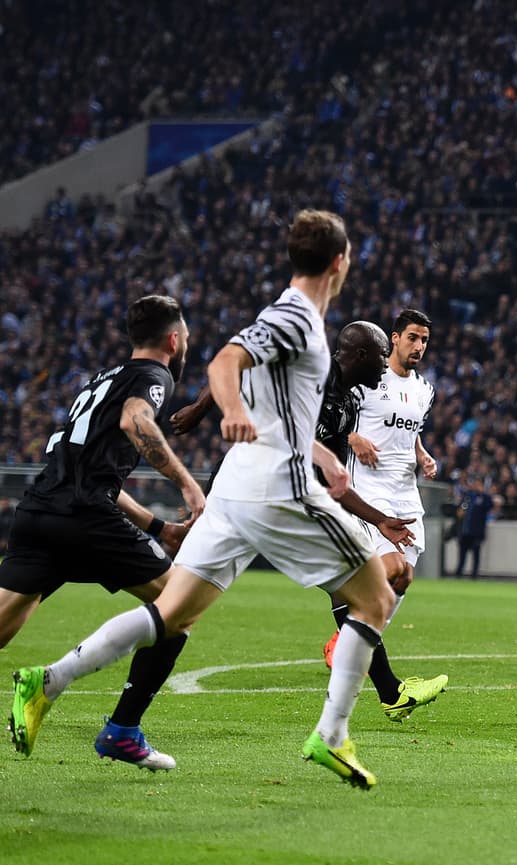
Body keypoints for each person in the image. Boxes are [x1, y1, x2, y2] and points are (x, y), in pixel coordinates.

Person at [10, 210, 395, 789]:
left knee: (171, 614)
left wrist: (321, 454)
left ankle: (50, 681)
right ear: (341, 262)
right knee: (378, 597)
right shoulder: (296, 315)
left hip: (237, 487)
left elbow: (270, 403)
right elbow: (224, 361)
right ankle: (333, 736)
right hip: (276, 490)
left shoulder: (295, 317)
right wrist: (234, 412)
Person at [169, 315, 448, 723]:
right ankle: (363, 705)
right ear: (363, 354)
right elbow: (235, 364)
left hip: (283, 502)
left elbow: (333, 476)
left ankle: (378, 697)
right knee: (173, 606)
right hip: (256, 498)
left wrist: (379, 515)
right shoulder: (308, 370)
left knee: (172, 609)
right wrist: (198, 409)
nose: (387, 365)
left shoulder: (352, 402)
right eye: (383, 355)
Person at [0, 295, 205, 771]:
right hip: (84, 518)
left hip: (41, 511)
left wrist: (157, 526)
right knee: (180, 607)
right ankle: (122, 730)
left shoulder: (100, 380)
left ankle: (110, 723)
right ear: (174, 339)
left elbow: (96, 474)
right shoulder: (154, 378)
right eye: (187, 335)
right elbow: (137, 422)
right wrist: (189, 486)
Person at [337, 308, 449, 719]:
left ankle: (357, 636)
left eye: (425, 340)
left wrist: (423, 455)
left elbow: (410, 429)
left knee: (404, 575)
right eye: (413, 338)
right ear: (394, 337)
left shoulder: (425, 390)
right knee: (387, 568)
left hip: (406, 494)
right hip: (369, 493)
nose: (419, 346)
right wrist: (354, 438)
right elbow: (332, 424)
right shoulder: (367, 380)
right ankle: (349, 633)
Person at [453, 474, 494, 577]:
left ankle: (474, 574)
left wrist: (483, 493)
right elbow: (460, 510)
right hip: (465, 530)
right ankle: (459, 572)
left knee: (476, 554)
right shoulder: (468, 496)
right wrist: (460, 512)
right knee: (462, 554)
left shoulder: (484, 497)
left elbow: (489, 506)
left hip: (477, 531)